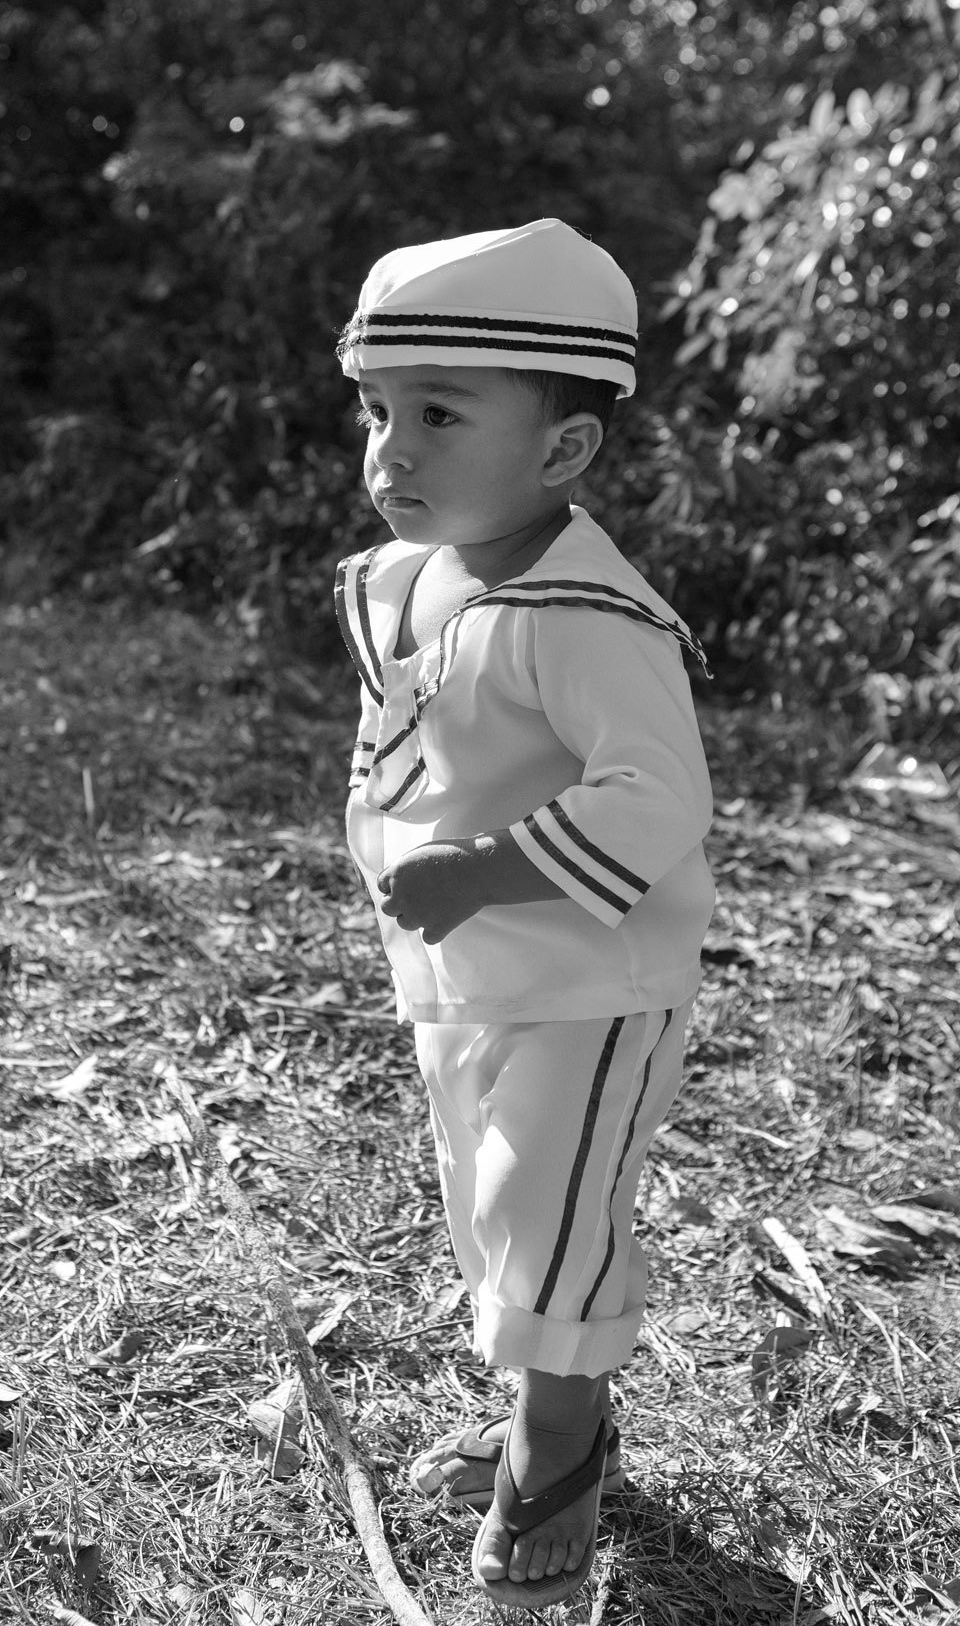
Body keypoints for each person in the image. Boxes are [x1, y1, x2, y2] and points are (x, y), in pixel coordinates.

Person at [333, 219, 715, 1609]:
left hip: (588, 977)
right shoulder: (424, 580)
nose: (392, 449)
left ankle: (557, 1443)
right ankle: (550, 1400)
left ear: (562, 452)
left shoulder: (588, 615)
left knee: (547, 1208)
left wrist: (481, 868)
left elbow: (655, 794)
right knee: (484, 1198)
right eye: (379, 410)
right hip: (473, 973)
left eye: (440, 413)